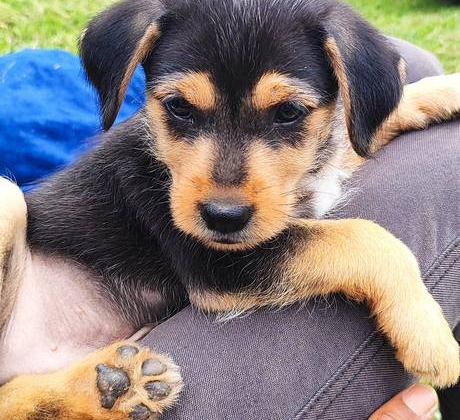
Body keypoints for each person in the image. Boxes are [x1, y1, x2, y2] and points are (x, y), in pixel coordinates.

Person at [0, 38, 458, 419]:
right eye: (182, 108)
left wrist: (410, 106)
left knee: (408, 70)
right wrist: (378, 259)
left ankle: (33, 400)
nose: (224, 194)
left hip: (92, 359)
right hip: (25, 295)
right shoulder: (147, 168)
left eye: (286, 112)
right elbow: (222, 276)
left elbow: (313, 169)